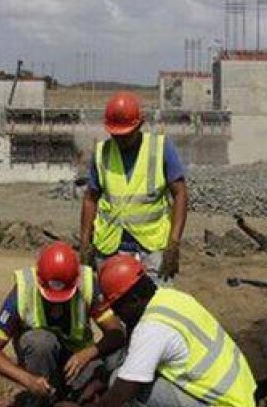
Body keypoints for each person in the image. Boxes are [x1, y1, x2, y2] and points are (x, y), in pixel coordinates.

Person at [53, 254, 257, 407]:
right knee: (118, 371)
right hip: (241, 401)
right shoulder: (172, 298)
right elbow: (131, 349)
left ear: (133, 300)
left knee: (123, 383)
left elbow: (121, 396)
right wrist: (102, 381)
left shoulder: (152, 329)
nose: (117, 316)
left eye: (117, 308)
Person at [0, 241, 127, 407]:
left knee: (103, 374)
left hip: (76, 359)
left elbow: (116, 332)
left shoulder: (86, 283)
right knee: (41, 342)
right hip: (40, 358)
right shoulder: (24, 289)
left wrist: (89, 353)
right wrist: (28, 380)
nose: (57, 304)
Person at [79, 91, 188, 283]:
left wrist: (174, 244)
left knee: (156, 306)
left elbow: (180, 194)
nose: (120, 140)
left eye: (125, 135)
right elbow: (90, 198)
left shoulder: (160, 148)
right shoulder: (102, 153)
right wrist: (85, 243)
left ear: (139, 125)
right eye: (115, 135)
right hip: (109, 247)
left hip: (151, 248)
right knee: (111, 308)